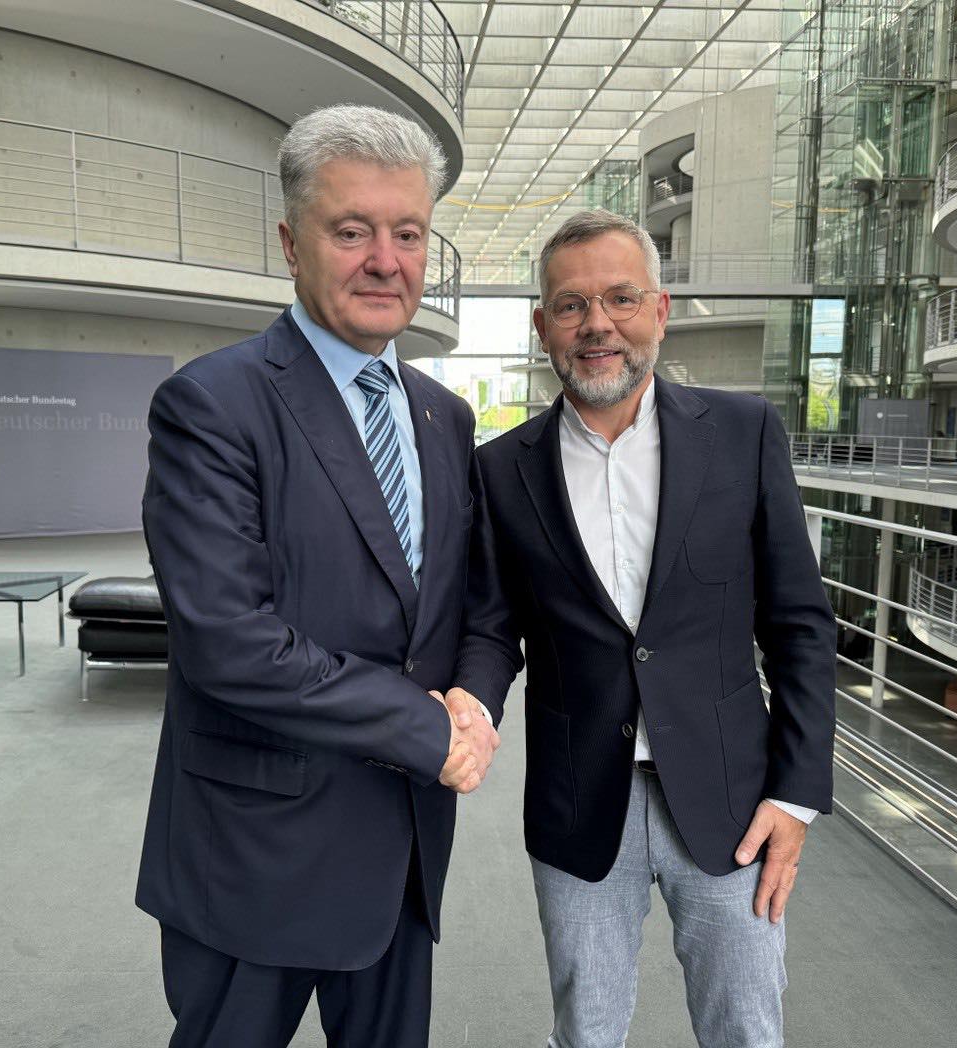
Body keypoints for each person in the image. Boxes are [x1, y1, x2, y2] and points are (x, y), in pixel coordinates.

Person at [135, 104, 499, 1048]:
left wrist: (475, 700)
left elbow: (476, 605)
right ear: (292, 244)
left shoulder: (444, 417)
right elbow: (227, 640)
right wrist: (425, 728)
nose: (386, 260)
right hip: (257, 846)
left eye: (408, 234)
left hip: (405, 843)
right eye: (351, 232)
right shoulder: (211, 404)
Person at [451, 209, 837, 1048]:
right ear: (542, 326)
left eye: (620, 298)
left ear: (659, 311)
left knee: (745, 1030)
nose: (597, 324)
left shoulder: (744, 434)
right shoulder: (500, 469)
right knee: (585, 1033)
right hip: (578, 796)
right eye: (571, 304)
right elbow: (492, 627)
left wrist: (796, 796)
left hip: (734, 799)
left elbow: (799, 626)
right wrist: (470, 706)